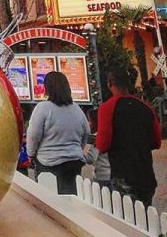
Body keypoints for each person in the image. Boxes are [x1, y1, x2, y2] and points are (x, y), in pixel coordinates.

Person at [96, 68, 161, 206]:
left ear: (109, 84)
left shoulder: (106, 108)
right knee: (146, 216)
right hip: (146, 175)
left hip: (123, 176)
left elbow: (102, 145)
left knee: (128, 219)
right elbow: (156, 142)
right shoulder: (145, 107)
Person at [26, 71, 90, 195]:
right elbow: (86, 132)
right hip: (74, 161)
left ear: (47, 88)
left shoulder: (43, 108)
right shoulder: (76, 108)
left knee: (51, 202)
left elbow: (33, 135)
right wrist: (77, 148)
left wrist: (31, 154)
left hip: (48, 162)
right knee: (72, 198)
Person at [83, 108, 110, 190]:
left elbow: (91, 158)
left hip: (101, 176)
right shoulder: (110, 133)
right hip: (113, 174)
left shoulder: (97, 137)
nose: (89, 123)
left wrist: (79, 154)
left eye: (90, 121)